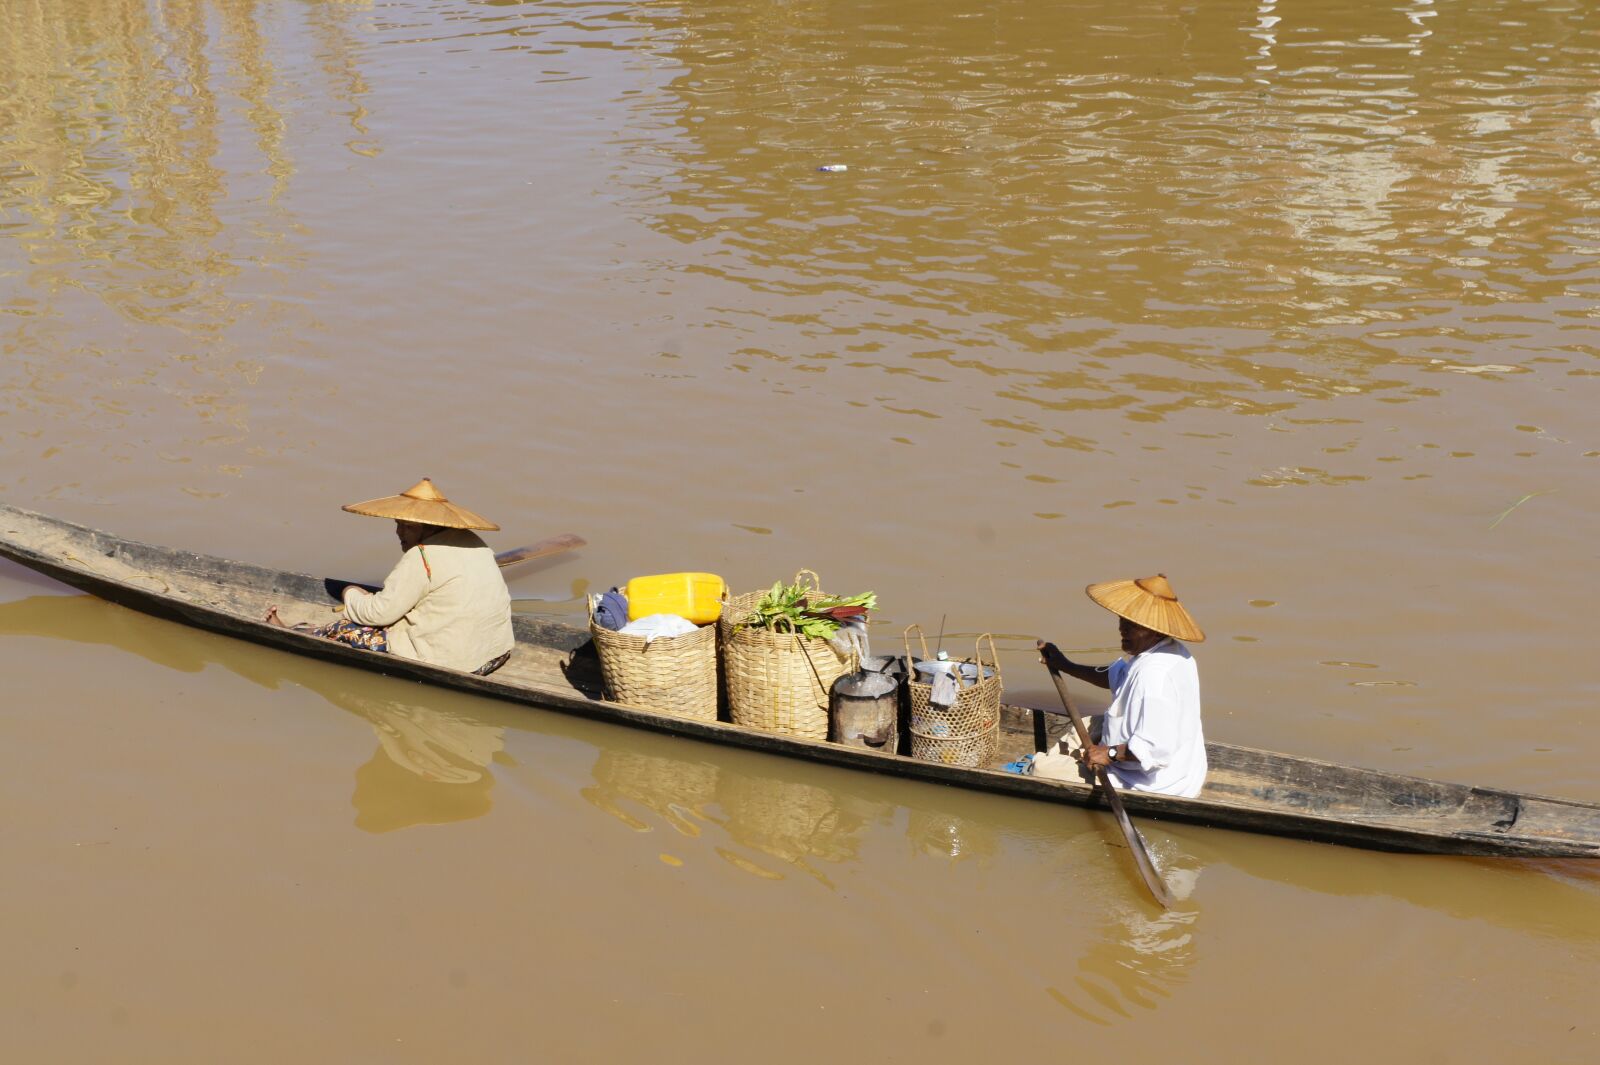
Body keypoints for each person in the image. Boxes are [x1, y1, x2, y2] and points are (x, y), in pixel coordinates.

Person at [267, 478, 515, 676]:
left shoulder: (422, 556)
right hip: (497, 653)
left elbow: (378, 614)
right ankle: (302, 629)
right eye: (398, 524)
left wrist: (350, 593)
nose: (399, 532)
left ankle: (291, 633)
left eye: (407, 526)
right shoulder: (476, 544)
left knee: (343, 627)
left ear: (428, 526)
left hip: (459, 664)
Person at [1032, 574, 1207, 798]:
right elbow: (1115, 676)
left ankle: (1060, 761)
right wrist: (1065, 665)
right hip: (1182, 764)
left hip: (1153, 783)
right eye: (1122, 620)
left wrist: (1109, 753)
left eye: (1132, 625)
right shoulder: (1168, 650)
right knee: (1091, 723)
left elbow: (1155, 749)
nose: (1122, 629)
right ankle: (1076, 757)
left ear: (1154, 630)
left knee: (1040, 769)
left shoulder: (1153, 676)